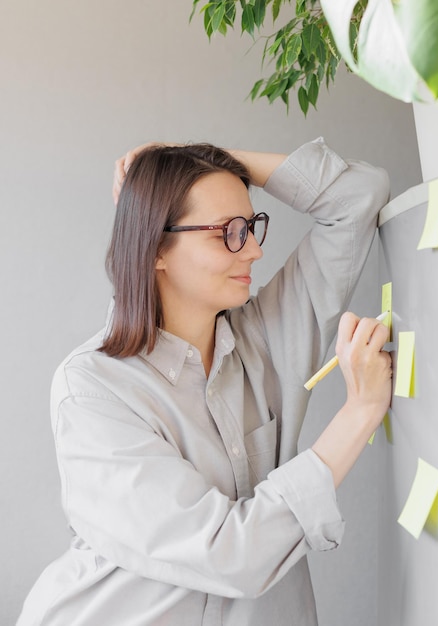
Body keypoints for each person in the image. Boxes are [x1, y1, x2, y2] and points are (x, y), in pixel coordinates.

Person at [17, 137, 391, 625]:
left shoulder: (266, 340)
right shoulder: (93, 389)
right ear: (156, 249)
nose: (254, 249)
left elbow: (361, 194)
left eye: (253, 226)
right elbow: (229, 553)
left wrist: (200, 156)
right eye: (229, 232)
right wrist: (359, 412)